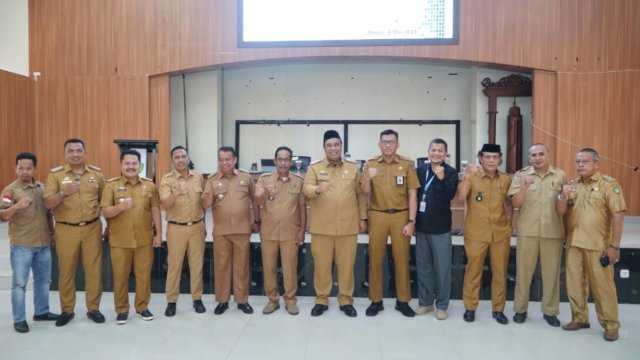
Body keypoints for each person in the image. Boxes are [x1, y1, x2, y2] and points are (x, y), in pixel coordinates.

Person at [556, 148, 626, 341]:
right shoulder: (572, 185)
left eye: (585, 162)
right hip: (574, 244)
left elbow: (618, 216)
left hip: (598, 246)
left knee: (603, 288)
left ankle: (610, 325)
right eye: (577, 161)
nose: (580, 165)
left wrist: (615, 246)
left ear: (596, 164)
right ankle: (579, 318)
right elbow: (561, 212)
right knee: (575, 286)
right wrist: (562, 195)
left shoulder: (609, 185)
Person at [303, 130, 367, 317]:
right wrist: (316, 188)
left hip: (347, 227)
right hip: (322, 228)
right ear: (324, 148)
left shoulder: (353, 168)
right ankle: (321, 300)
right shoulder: (314, 168)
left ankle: (346, 300)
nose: (333, 148)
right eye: (329, 145)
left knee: (346, 267)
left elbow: (361, 194)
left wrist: (363, 218)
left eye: (336, 145)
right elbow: (306, 189)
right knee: (322, 267)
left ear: (341, 146)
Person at [43, 138, 105, 327]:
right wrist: (64, 193)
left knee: (94, 271)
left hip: (92, 228)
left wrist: (108, 225)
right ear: (65, 154)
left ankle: (93, 308)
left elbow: (105, 201)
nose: (75, 154)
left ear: (85, 152)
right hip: (66, 229)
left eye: (79, 150)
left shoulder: (96, 174)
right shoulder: (56, 175)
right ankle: (67, 310)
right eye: (71, 151)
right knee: (67, 271)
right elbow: (47, 203)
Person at [360, 129, 419, 318]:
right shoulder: (370, 164)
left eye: (391, 142)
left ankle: (403, 301)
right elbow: (364, 191)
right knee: (375, 259)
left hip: (400, 216)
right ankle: (376, 301)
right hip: (377, 215)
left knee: (402, 259)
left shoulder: (407, 164)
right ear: (379, 144)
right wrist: (368, 177)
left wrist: (411, 221)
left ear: (397, 144)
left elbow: (412, 194)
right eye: (384, 141)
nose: (388, 145)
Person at [101, 150, 162, 325]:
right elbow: (105, 211)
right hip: (120, 241)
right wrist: (120, 208)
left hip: (144, 239)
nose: (130, 167)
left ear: (140, 165)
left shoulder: (150, 186)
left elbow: (155, 210)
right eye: (127, 163)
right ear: (121, 166)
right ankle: (121, 309)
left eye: (134, 163)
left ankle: (142, 307)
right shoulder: (111, 186)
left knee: (144, 276)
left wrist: (159, 233)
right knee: (120, 277)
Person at [1, 152, 59, 333]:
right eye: (20, 168)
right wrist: (16, 206)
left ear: (35, 169)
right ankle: (19, 319)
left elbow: (49, 214)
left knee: (43, 281)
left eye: (28, 168)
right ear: (15, 168)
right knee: (19, 285)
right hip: (22, 246)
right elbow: (2, 215)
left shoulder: (42, 188)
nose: (24, 171)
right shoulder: (10, 190)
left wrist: (53, 233)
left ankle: (41, 312)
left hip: (43, 244)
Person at [509, 143, 566, 326]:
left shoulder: (560, 175)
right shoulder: (521, 175)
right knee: (523, 273)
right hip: (527, 231)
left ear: (548, 155)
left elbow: (566, 206)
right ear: (529, 157)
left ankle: (550, 312)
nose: (538, 157)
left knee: (551, 275)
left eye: (541, 154)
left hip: (553, 231)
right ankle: (520, 310)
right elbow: (515, 203)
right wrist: (525, 187)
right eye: (534, 155)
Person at [457, 143, 512, 324]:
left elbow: (510, 203)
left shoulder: (505, 179)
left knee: (499, 272)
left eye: (494, 157)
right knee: (473, 272)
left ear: (499, 159)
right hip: (476, 233)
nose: (490, 160)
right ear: (480, 158)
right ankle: (470, 308)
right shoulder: (473, 177)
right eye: (487, 157)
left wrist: (508, 224)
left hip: (500, 234)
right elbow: (460, 196)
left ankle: (498, 309)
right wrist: (467, 176)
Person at [201, 146, 260, 315]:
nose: (224, 162)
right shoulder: (212, 180)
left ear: (235, 160)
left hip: (242, 230)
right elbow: (205, 205)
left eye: (228, 159)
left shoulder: (245, 177)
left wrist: (256, 220)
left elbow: (255, 199)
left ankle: (242, 301)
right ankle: (222, 301)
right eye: (221, 159)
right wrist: (211, 189)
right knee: (221, 267)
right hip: (221, 231)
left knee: (241, 267)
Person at [254, 146, 307, 315]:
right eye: (280, 159)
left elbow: (302, 208)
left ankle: (290, 300)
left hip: (290, 232)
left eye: (286, 159)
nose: (283, 163)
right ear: (275, 161)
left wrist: (302, 231)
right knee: (269, 268)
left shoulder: (298, 180)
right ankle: (273, 300)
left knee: (290, 267)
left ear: (291, 162)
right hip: (268, 232)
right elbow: (257, 201)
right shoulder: (264, 179)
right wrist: (265, 192)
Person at [414, 138, 459, 320]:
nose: (436, 153)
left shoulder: (451, 172)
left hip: (440, 227)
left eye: (440, 151)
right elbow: (414, 195)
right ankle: (425, 303)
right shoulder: (420, 171)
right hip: (422, 226)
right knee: (423, 267)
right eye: (433, 150)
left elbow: (450, 195)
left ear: (445, 154)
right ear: (428, 151)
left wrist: (441, 179)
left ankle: (441, 305)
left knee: (442, 269)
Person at [159, 146, 206, 317]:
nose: (180, 159)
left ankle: (197, 298)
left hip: (197, 227)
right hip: (176, 228)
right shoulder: (167, 180)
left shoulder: (199, 177)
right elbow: (165, 204)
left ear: (188, 158)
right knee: (174, 266)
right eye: (177, 157)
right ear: (172, 160)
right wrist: (176, 192)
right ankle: (171, 301)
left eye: (183, 156)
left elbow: (203, 202)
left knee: (197, 265)